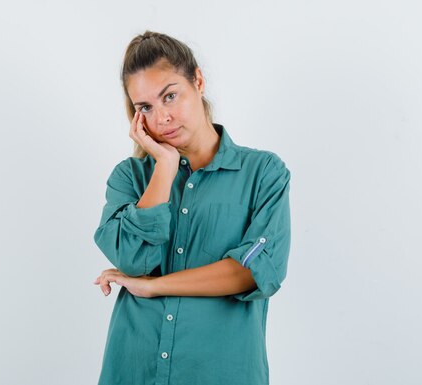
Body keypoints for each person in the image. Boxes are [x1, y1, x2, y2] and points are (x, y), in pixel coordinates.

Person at [92, 31, 291, 385]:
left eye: (170, 96)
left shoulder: (263, 173)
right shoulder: (130, 178)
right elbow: (132, 260)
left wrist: (156, 286)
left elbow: (256, 271)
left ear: (197, 81)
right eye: (146, 108)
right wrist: (165, 166)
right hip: (134, 370)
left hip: (222, 372)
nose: (163, 117)